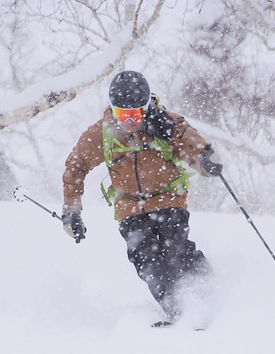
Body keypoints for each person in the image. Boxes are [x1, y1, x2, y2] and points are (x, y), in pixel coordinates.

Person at [61, 70, 223, 325]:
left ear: (147, 106)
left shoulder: (165, 124)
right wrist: (72, 210)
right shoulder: (102, 133)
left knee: (175, 250)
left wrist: (206, 159)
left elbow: (190, 143)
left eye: (135, 114)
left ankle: (211, 296)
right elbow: (76, 165)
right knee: (146, 259)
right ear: (112, 109)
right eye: (122, 114)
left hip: (168, 198)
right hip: (130, 207)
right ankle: (179, 312)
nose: (129, 121)